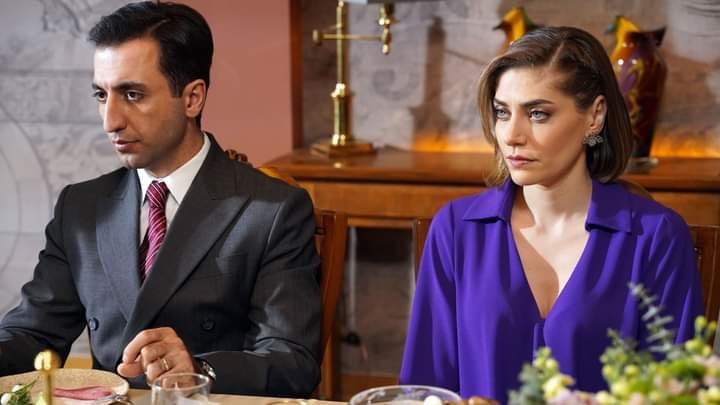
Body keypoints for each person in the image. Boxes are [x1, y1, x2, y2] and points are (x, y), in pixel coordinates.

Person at [0, 1, 321, 397]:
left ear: (192, 98)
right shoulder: (80, 207)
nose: (110, 121)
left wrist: (200, 370)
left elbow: (293, 363)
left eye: (132, 94)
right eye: (101, 95)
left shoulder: (273, 210)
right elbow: (32, 334)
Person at [400, 26, 703, 403]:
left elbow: (676, 395)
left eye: (538, 114)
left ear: (594, 116)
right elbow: (424, 390)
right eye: (502, 112)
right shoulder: (456, 230)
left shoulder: (657, 237)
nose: (511, 135)